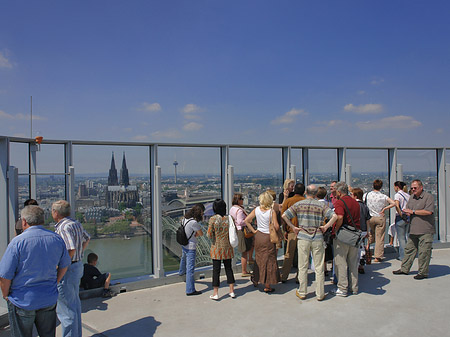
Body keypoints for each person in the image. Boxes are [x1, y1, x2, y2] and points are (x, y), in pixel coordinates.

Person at [0, 205, 71, 337]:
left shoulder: (17, 242)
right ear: (42, 221)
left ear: (24, 221)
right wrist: (55, 282)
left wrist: (6, 295)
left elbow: (4, 275)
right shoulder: (56, 239)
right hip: (48, 298)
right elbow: (65, 265)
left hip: (22, 300)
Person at [282, 184, 337, 301]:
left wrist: (293, 227)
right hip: (317, 236)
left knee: (302, 266)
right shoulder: (321, 205)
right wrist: (326, 227)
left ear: (306, 193)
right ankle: (320, 293)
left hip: (303, 237)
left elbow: (284, 215)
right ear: (316, 194)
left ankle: (302, 292)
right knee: (319, 266)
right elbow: (334, 216)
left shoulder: (299, 204)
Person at [52, 200, 90, 337]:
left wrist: (61, 265)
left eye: (52, 210)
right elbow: (87, 238)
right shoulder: (76, 223)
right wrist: (80, 255)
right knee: (74, 305)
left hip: (67, 270)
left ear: (56, 213)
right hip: (77, 266)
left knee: (66, 311)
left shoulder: (63, 227)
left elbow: (71, 248)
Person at [393, 179, 435, 279]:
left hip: (425, 229)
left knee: (424, 252)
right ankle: (404, 269)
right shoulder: (411, 197)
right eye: (411, 188)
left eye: (415, 188)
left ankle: (423, 272)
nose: (413, 189)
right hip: (413, 229)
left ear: (421, 187)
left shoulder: (428, 197)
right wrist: (407, 213)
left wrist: (413, 211)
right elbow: (409, 209)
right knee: (409, 250)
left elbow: (429, 212)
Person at [245, 191, 280, 293]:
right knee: (269, 260)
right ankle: (267, 285)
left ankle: (256, 279)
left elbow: (247, 220)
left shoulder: (256, 210)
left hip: (259, 236)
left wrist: (254, 231)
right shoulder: (271, 212)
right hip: (268, 237)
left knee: (259, 258)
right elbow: (277, 226)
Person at [332, 182, 361, 297]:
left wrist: (336, 229)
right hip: (354, 236)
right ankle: (354, 287)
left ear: (339, 192)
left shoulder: (340, 203)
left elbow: (339, 217)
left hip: (343, 237)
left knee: (341, 262)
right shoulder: (355, 202)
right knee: (353, 262)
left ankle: (342, 288)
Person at [207, 199, 236, 300]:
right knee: (229, 269)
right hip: (228, 247)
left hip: (217, 247)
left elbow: (209, 234)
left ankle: (215, 293)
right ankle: (232, 291)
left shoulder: (213, 219)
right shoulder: (229, 218)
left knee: (216, 270)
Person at [364, 179, 396, 262]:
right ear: (381, 187)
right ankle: (378, 256)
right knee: (380, 237)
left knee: (370, 233)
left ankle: (367, 248)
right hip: (380, 217)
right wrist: (385, 208)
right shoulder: (383, 196)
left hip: (370, 217)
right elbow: (393, 203)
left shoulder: (367, 195)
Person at [280, 183, 305, 283]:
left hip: (292, 230)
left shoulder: (289, 201)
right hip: (304, 231)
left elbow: (283, 216)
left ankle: (284, 276)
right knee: (302, 255)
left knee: (288, 254)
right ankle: (300, 276)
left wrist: (286, 229)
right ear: (304, 191)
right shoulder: (306, 201)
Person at [178, 204, 204, 295]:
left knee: (183, 258)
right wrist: (196, 233)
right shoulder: (194, 222)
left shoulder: (184, 219)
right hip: (191, 247)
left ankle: (181, 272)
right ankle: (190, 290)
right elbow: (201, 233)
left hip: (184, 244)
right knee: (190, 269)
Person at [229, 193, 253, 276]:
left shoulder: (232, 208)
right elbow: (240, 222)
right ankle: (244, 270)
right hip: (242, 230)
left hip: (237, 230)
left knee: (246, 249)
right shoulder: (239, 210)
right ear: (238, 200)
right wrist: (248, 220)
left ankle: (247, 265)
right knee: (245, 251)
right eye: (242, 199)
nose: (243, 200)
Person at [352, 187, 371, 274]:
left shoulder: (353, 206)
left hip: (355, 230)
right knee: (361, 246)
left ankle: (354, 265)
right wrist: (368, 231)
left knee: (354, 248)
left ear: (355, 196)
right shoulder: (365, 206)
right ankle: (361, 264)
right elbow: (367, 219)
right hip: (363, 229)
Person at [393, 181, 410, 260]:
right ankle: (408, 254)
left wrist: (400, 214)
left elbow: (396, 205)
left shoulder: (397, 195)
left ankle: (403, 256)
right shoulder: (407, 195)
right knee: (406, 237)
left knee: (401, 238)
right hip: (408, 217)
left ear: (396, 187)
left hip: (401, 217)